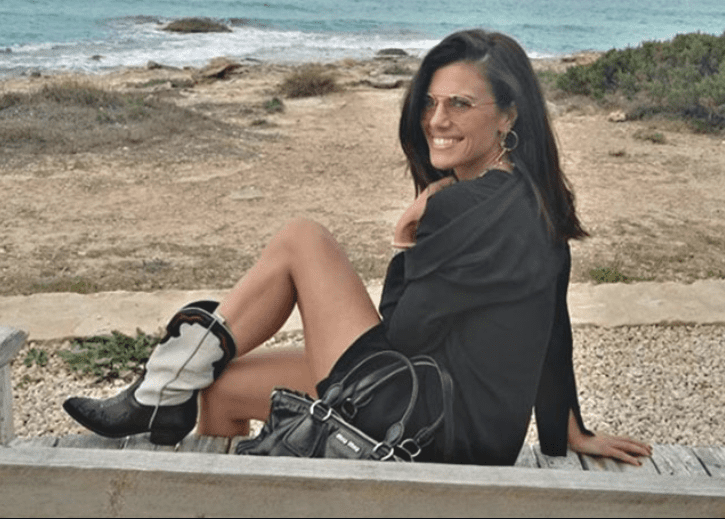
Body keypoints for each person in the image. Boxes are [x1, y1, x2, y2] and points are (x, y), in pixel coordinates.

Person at [63, 29, 651, 465]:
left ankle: (157, 391)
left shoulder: (460, 207)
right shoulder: (536, 200)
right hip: (474, 430)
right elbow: (552, 323)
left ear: (508, 116)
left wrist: (405, 242)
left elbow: (403, 332)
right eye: (430, 102)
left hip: (426, 425)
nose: (436, 119)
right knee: (221, 387)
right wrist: (567, 431)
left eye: (460, 104)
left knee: (303, 238)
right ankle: (186, 422)